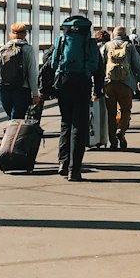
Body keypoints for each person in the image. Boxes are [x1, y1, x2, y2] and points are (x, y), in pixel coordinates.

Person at [45, 13, 101, 182]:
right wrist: (97, 91)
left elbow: (52, 64)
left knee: (65, 122)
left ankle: (62, 162)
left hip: (63, 82)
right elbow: (98, 67)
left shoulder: (61, 42)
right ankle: (74, 169)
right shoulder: (90, 44)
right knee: (79, 126)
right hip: (83, 83)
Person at [100, 25, 140, 150]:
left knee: (111, 113)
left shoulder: (106, 46)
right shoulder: (129, 46)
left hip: (109, 84)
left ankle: (113, 142)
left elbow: (99, 65)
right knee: (126, 110)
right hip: (126, 84)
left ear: (113, 35)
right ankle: (121, 130)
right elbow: (138, 64)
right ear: (125, 35)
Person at [0, 23, 36, 118]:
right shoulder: (28, 49)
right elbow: (32, 73)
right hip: (22, 89)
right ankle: (15, 133)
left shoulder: (3, 49)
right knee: (17, 118)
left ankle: (12, 132)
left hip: (4, 89)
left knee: (12, 118)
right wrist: (35, 94)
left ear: (11, 34)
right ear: (25, 34)